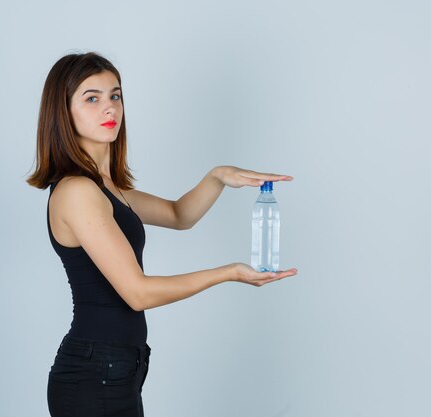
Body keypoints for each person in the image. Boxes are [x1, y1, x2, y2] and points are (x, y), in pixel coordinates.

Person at [26, 51, 298, 417]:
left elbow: (178, 214)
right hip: (94, 373)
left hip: (120, 368)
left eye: (115, 95)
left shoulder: (106, 188)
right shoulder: (77, 192)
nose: (109, 108)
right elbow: (137, 293)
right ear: (63, 113)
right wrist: (229, 273)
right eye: (92, 98)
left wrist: (217, 176)